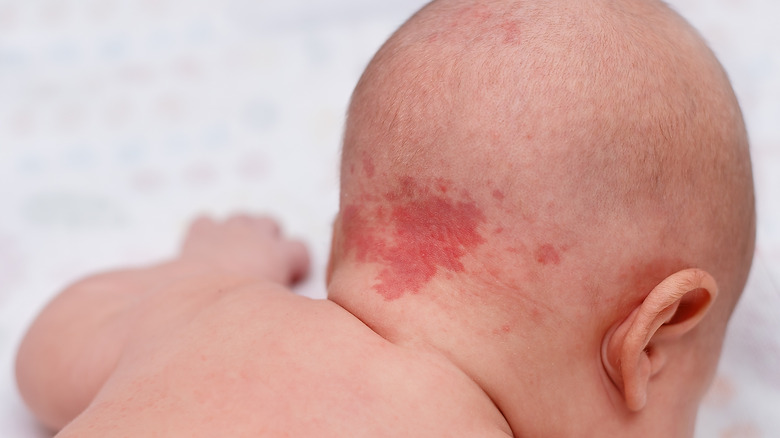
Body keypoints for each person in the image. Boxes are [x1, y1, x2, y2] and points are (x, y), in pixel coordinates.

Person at [15, 0, 755, 436]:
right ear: (649, 343)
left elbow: (43, 355)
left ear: (345, 235)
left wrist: (203, 275)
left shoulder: (205, 322)